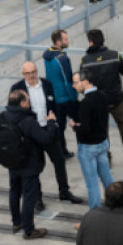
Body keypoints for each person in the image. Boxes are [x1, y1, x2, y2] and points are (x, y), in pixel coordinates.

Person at [10, 62, 83, 206]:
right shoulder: (17, 88)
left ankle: (64, 191)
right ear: (23, 75)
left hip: (48, 130)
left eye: (33, 72)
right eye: (28, 73)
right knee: (34, 166)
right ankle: (37, 198)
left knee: (59, 161)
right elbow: (14, 112)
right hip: (31, 134)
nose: (31, 75)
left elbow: (54, 104)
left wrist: (54, 124)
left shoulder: (46, 84)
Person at [0, 90, 58, 240]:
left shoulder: (2, 117)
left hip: (12, 163)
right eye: (27, 100)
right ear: (22, 103)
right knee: (29, 197)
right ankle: (29, 230)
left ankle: (16, 223)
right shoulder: (27, 120)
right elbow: (45, 138)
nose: (29, 102)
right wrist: (51, 122)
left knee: (14, 192)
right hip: (29, 164)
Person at [80, 29, 123, 166]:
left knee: (102, 129)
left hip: (98, 102)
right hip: (116, 100)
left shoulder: (85, 61)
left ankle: (106, 159)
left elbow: (82, 83)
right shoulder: (115, 55)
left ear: (90, 42)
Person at [71, 68, 112, 210]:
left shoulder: (86, 103)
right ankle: (115, 205)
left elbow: (85, 129)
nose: (73, 85)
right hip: (102, 143)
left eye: (76, 82)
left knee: (92, 182)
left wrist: (75, 126)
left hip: (88, 147)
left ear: (86, 81)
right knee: (107, 177)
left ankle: (95, 215)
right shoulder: (102, 95)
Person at [43, 29, 78, 157]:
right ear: (58, 42)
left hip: (55, 98)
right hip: (66, 98)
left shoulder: (48, 56)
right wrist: (74, 97)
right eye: (66, 39)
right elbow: (67, 80)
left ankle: (62, 152)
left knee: (60, 128)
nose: (68, 41)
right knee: (79, 122)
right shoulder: (62, 59)